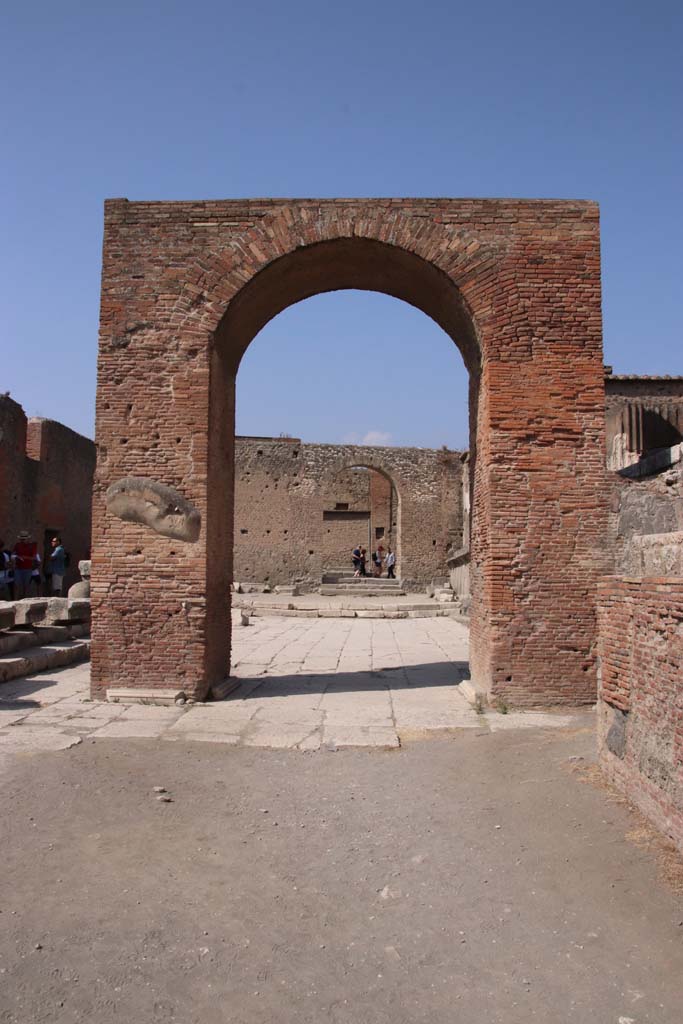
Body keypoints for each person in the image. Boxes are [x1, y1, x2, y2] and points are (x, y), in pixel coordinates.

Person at [13, 531, 38, 599]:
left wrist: (25, 557)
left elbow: (34, 557)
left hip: (27, 568)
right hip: (18, 567)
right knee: (16, 585)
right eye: (21, 539)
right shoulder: (17, 545)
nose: (22, 540)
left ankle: (24, 600)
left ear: (27, 539)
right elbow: (14, 553)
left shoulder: (32, 546)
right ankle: (15, 600)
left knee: (26, 586)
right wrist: (14, 557)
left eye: (23, 539)